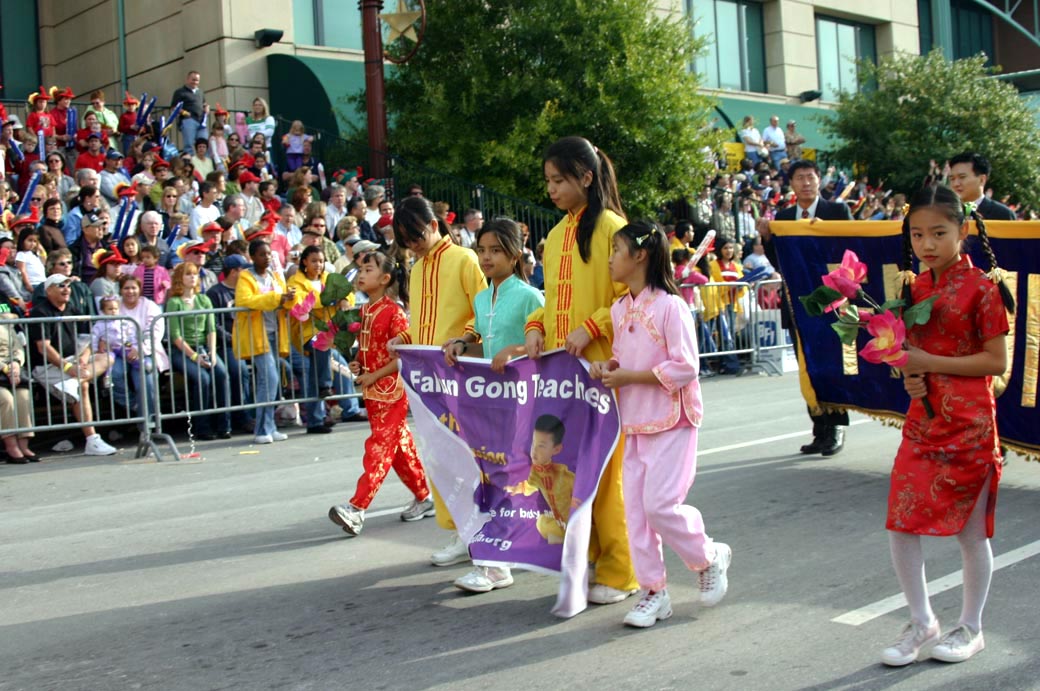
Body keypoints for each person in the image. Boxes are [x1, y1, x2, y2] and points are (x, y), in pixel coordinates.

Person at [879, 184, 1014, 667]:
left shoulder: (983, 288)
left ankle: (971, 627)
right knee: (901, 523)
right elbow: (910, 357)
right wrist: (910, 375)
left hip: (970, 424)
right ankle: (922, 621)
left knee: (971, 535)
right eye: (917, 235)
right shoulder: (913, 289)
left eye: (938, 233)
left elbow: (996, 362)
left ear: (963, 230)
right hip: (923, 422)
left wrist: (927, 362)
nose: (927, 244)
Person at [588, 220, 730, 628]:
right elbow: (622, 355)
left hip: (673, 420)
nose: (610, 259)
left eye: (616, 250)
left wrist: (629, 376)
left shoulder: (671, 306)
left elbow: (686, 367)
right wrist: (609, 367)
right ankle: (653, 591)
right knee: (636, 513)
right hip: (634, 421)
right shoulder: (620, 308)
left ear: (640, 255)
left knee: (660, 506)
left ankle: (708, 556)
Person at [523, 136, 638, 605]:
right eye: (548, 181)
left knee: (607, 475)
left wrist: (591, 327)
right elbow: (551, 300)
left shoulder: (613, 227)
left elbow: (632, 296)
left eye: (559, 180)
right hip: (561, 374)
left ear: (586, 178)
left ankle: (621, 571)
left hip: (602, 371)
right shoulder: (555, 236)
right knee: (569, 470)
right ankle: (584, 558)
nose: (551, 189)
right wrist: (535, 326)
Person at [442, 218, 544, 593]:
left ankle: (497, 564)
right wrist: (461, 345)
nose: (486, 257)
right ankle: (507, 553)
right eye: (482, 250)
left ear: (515, 255)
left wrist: (516, 350)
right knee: (496, 475)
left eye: (496, 250)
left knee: (511, 476)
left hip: (524, 400)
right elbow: (485, 345)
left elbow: (546, 343)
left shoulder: (530, 297)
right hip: (490, 402)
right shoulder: (482, 299)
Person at [388, 196, 487, 564]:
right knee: (441, 458)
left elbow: (484, 310)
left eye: (415, 236)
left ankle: (482, 531)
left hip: (461, 374)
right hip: (428, 380)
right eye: (405, 240)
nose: (412, 245)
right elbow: (421, 323)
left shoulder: (464, 259)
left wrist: (465, 339)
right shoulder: (416, 270)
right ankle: (463, 531)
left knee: (470, 457)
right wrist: (405, 338)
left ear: (433, 225)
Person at [327, 251, 432, 536]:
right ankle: (424, 496)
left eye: (368, 270)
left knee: (379, 449)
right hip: (373, 392)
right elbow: (367, 349)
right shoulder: (364, 312)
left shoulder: (394, 312)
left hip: (391, 392)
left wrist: (374, 374)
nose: (361, 274)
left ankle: (357, 508)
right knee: (398, 449)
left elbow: (403, 357)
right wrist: (357, 363)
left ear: (385, 278)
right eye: (361, 269)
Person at [757, 159, 853, 456]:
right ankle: (819, 428)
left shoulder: (837, 212)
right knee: (808, 368)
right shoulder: (784, 217)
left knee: (831, 365)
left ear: (819, 180)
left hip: (831, 302)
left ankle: (836, 427)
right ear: (791, 183)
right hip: (797, 303)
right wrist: (767, 238)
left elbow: (850, 252)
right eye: (800, 177)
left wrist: (825, 235)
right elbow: (779, 262)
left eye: (810, 177)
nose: (806, 182)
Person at [29, 274, 117, 456]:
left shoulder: (72, 308)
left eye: (68, 285)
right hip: (47, 366)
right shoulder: (40, 312)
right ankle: (92, 440)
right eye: (61, 285)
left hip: (73, 359)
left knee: (107, 358)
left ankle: (75, 381)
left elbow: (89, 339)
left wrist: (84, 358)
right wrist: (68, 368)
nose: (66, 289)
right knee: (83, 386)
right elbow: (43, 348)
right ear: (48, 291)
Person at [233, 239, 294, 444]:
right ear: (252, 257)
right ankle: (261, 429)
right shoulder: (246, 277)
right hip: (257, 335)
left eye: (268, 254)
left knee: (271, 381)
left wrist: (289, 298)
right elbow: (245, 301)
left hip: (275, 332)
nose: (266, 257)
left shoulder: (274, 275)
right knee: (268, 379)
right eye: (261, 254)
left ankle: (270, 425)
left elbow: (284, 300)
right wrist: (277, 299)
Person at [166, 262, 231, 440]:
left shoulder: (204, 300)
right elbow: (175, 335)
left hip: (204, 347)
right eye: (188, 274)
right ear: (180, 278)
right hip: (183, 350)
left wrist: (212, 352)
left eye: (194, 274)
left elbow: (211, 328)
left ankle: (224, 424)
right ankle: (202, 426)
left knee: (222, 374)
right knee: (203, 379)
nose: (193, 277)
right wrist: (194, 356)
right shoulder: (174, 302)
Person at [286, 245, 338, 435]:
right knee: (321, 346)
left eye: (321, 261)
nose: (318, 265)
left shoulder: (328, 278)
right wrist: (326, 299)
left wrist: (343, 299)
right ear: (305, 262)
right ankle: (325, 385)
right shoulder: (295, 281)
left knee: (312, 376)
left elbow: (346, 292)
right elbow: (300, 302)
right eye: (314, 261)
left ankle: (316, 420)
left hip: (327, 330)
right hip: (306, 332)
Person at [114, 274, 167, 430]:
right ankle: (135, 405)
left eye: (133, 288)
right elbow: (110, 328)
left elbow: (156, 331)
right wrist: (126, 348)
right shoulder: (115, 305)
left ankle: (146, 427)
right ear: (120, 290)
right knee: (113, 375)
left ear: (139, 289)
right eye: (126, 288)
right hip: (120, 351)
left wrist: (140, 349)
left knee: (146, 383)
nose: (130, 291)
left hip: (145, 351)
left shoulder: (149, 306)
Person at [0, 302, 35, 463]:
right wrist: (5, 368)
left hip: (12, 368)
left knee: (23, 396)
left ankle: (23, 444)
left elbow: (18, 347)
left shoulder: (5, 322)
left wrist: (16, 363)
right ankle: (11, 446)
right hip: (3, 368)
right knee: (6, 400)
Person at [946, 152, 1016, 222]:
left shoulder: (1003, 214)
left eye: (962, 177)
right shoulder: (944, 211)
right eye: (952, 179)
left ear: (982, 179)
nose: (956, 184)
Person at [171, 71, 209, 150]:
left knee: (203, 143)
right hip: (188, 120)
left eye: (197, 80)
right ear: (187, 79)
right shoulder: (179, 92)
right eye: (193, 79)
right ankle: (189, 157)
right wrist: (184, 113)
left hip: (201, 121)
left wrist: (206, 107)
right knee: (189, 144)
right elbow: (174, 107)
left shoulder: (200, 92)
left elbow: (204, 103)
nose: (195, 82)